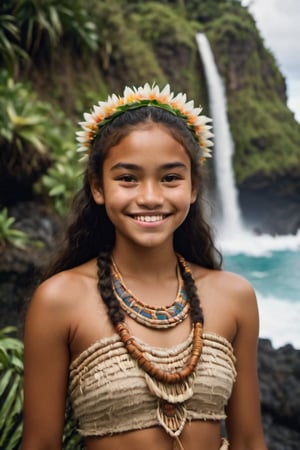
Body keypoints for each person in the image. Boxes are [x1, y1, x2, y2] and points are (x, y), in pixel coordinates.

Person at [22, 83, 268, 450]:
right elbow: (40, 444)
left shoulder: (235, 297)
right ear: (98, 186)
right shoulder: (59, 300)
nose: (150, 198)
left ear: (194, 187)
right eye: (127, 178)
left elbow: (249, 440)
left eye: (170, 178)